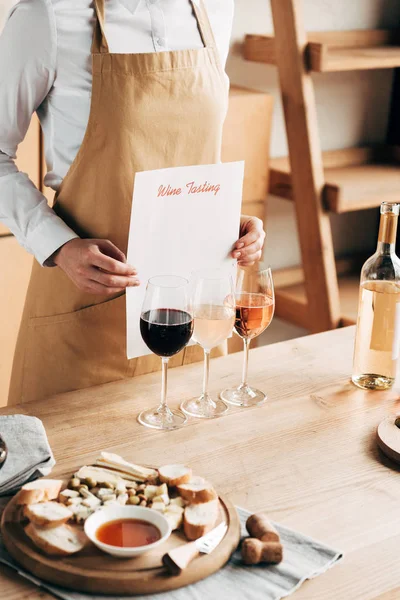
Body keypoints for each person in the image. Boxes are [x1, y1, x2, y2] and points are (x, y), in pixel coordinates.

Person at [0, 0, 266, 405]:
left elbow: (187, 159)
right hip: (86, 319)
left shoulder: (215, 10)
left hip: (195, 320)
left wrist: (225, 220)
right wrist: (58, 245)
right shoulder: (48, 16)